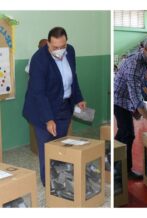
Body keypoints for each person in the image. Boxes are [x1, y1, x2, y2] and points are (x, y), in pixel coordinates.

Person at [23, 27, 86, 186]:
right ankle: (50, 185)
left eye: (62, 46)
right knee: (47, 148)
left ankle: (61, 180)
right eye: (55, 47)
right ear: (48, 44)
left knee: (61, 145)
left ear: (66, 43)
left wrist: (78, 98)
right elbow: (38, 93)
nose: (59, 50)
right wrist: (48, 119)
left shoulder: (70, 51)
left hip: (63, 106)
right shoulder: (39, 59)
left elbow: (73, 77)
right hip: (42, 109)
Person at [114, 36, 147, 180]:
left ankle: (111, 157)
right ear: (145, 49)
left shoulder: (145, 62)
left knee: (122, 134)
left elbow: (137, 89)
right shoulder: (133, 64)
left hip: (127, 99)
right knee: (128, 134)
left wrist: (136, 110)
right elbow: (135, 96)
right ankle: (125, 171)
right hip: (118, 100)